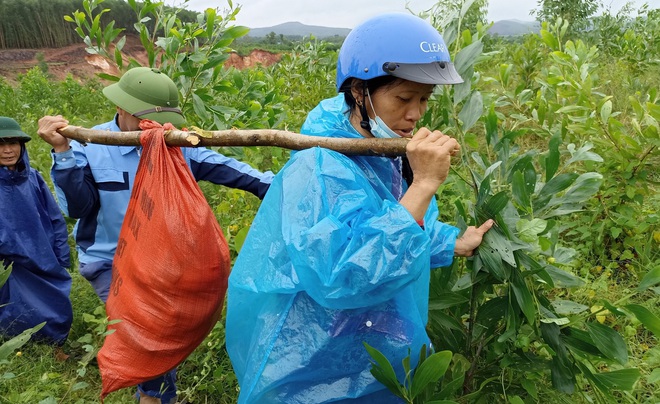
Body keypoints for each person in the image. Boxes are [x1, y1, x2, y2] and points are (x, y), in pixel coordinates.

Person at [226, 12, 495, 403]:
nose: (416, 114)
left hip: (371, 343)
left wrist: (451, 241)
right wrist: (423, 184)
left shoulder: (385, 152)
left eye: (423, 99)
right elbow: (343, 273)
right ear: (358, 91)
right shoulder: (319, 166)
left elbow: (400, 222)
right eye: (404, 98)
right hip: (310, 358)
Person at [37, 67, 274, 404]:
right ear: (123, 108)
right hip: (109, 263)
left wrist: (288, 183)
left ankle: (156, 391)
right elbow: (78, 206)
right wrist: (63, 153)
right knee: (150, 334)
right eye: (150, 118)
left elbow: (240, 174)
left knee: (163, 335)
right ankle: (155, 397)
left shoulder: (175, 145)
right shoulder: (89, 145)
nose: (159, 126)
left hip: (161, 266)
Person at [0, 117, 73, 346]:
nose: (8, 150)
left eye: (14, 143)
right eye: (1, 144)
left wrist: (61, 256)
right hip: (8, 262)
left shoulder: (33, 178)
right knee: (13, 308)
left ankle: (53, 345)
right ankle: (16, 347)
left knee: (54, 304)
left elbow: (55, 218)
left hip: (42, 258)